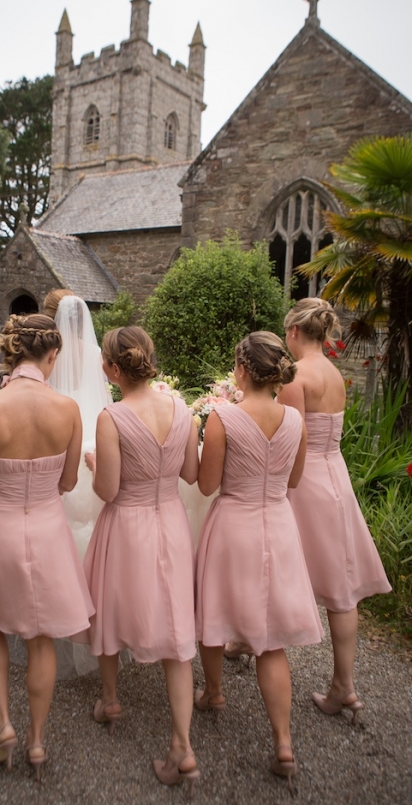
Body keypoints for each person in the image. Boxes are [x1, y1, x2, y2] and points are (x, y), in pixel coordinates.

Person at [0, 314, 94, 778]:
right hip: (48, 530)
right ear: (51, 356)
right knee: (40, 635)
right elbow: (69, 481)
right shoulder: (68, 409)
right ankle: (36, 742)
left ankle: (3, 725)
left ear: (8, 354)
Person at [195, 331, 322, 791]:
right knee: (272, 642)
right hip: (278, 524)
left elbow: (208, 485)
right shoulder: (294, 419)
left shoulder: (222, 418)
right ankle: (283, 743)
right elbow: (295, 478)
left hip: (233, 525)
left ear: (243, 370)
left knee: (214, 614)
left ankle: (213, 693)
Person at [83, 327, 201, 793]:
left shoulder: (111, 417)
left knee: (110, 607)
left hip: (126, 522)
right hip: (170, 520)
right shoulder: (183, 409)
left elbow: (108, 490)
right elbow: (191, 473)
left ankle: (111, 700)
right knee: (176, 628)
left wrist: (95, 469)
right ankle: (182, 746)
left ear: (113, 369)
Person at [279, 298, 391, 722]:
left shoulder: (296, 376)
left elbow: (292, 440)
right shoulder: (335, 374)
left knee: (276, 561)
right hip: (336, 477)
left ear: (293, 333)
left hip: (304, 480)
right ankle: (344, 685)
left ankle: (244, 640)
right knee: (341, 587)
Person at [42, 289, 110, 559]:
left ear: (51, 316)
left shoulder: (48, 355)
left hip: (57, 431)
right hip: (94, 433)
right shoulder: (96, 352)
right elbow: (106, 397)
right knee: (92, 513)